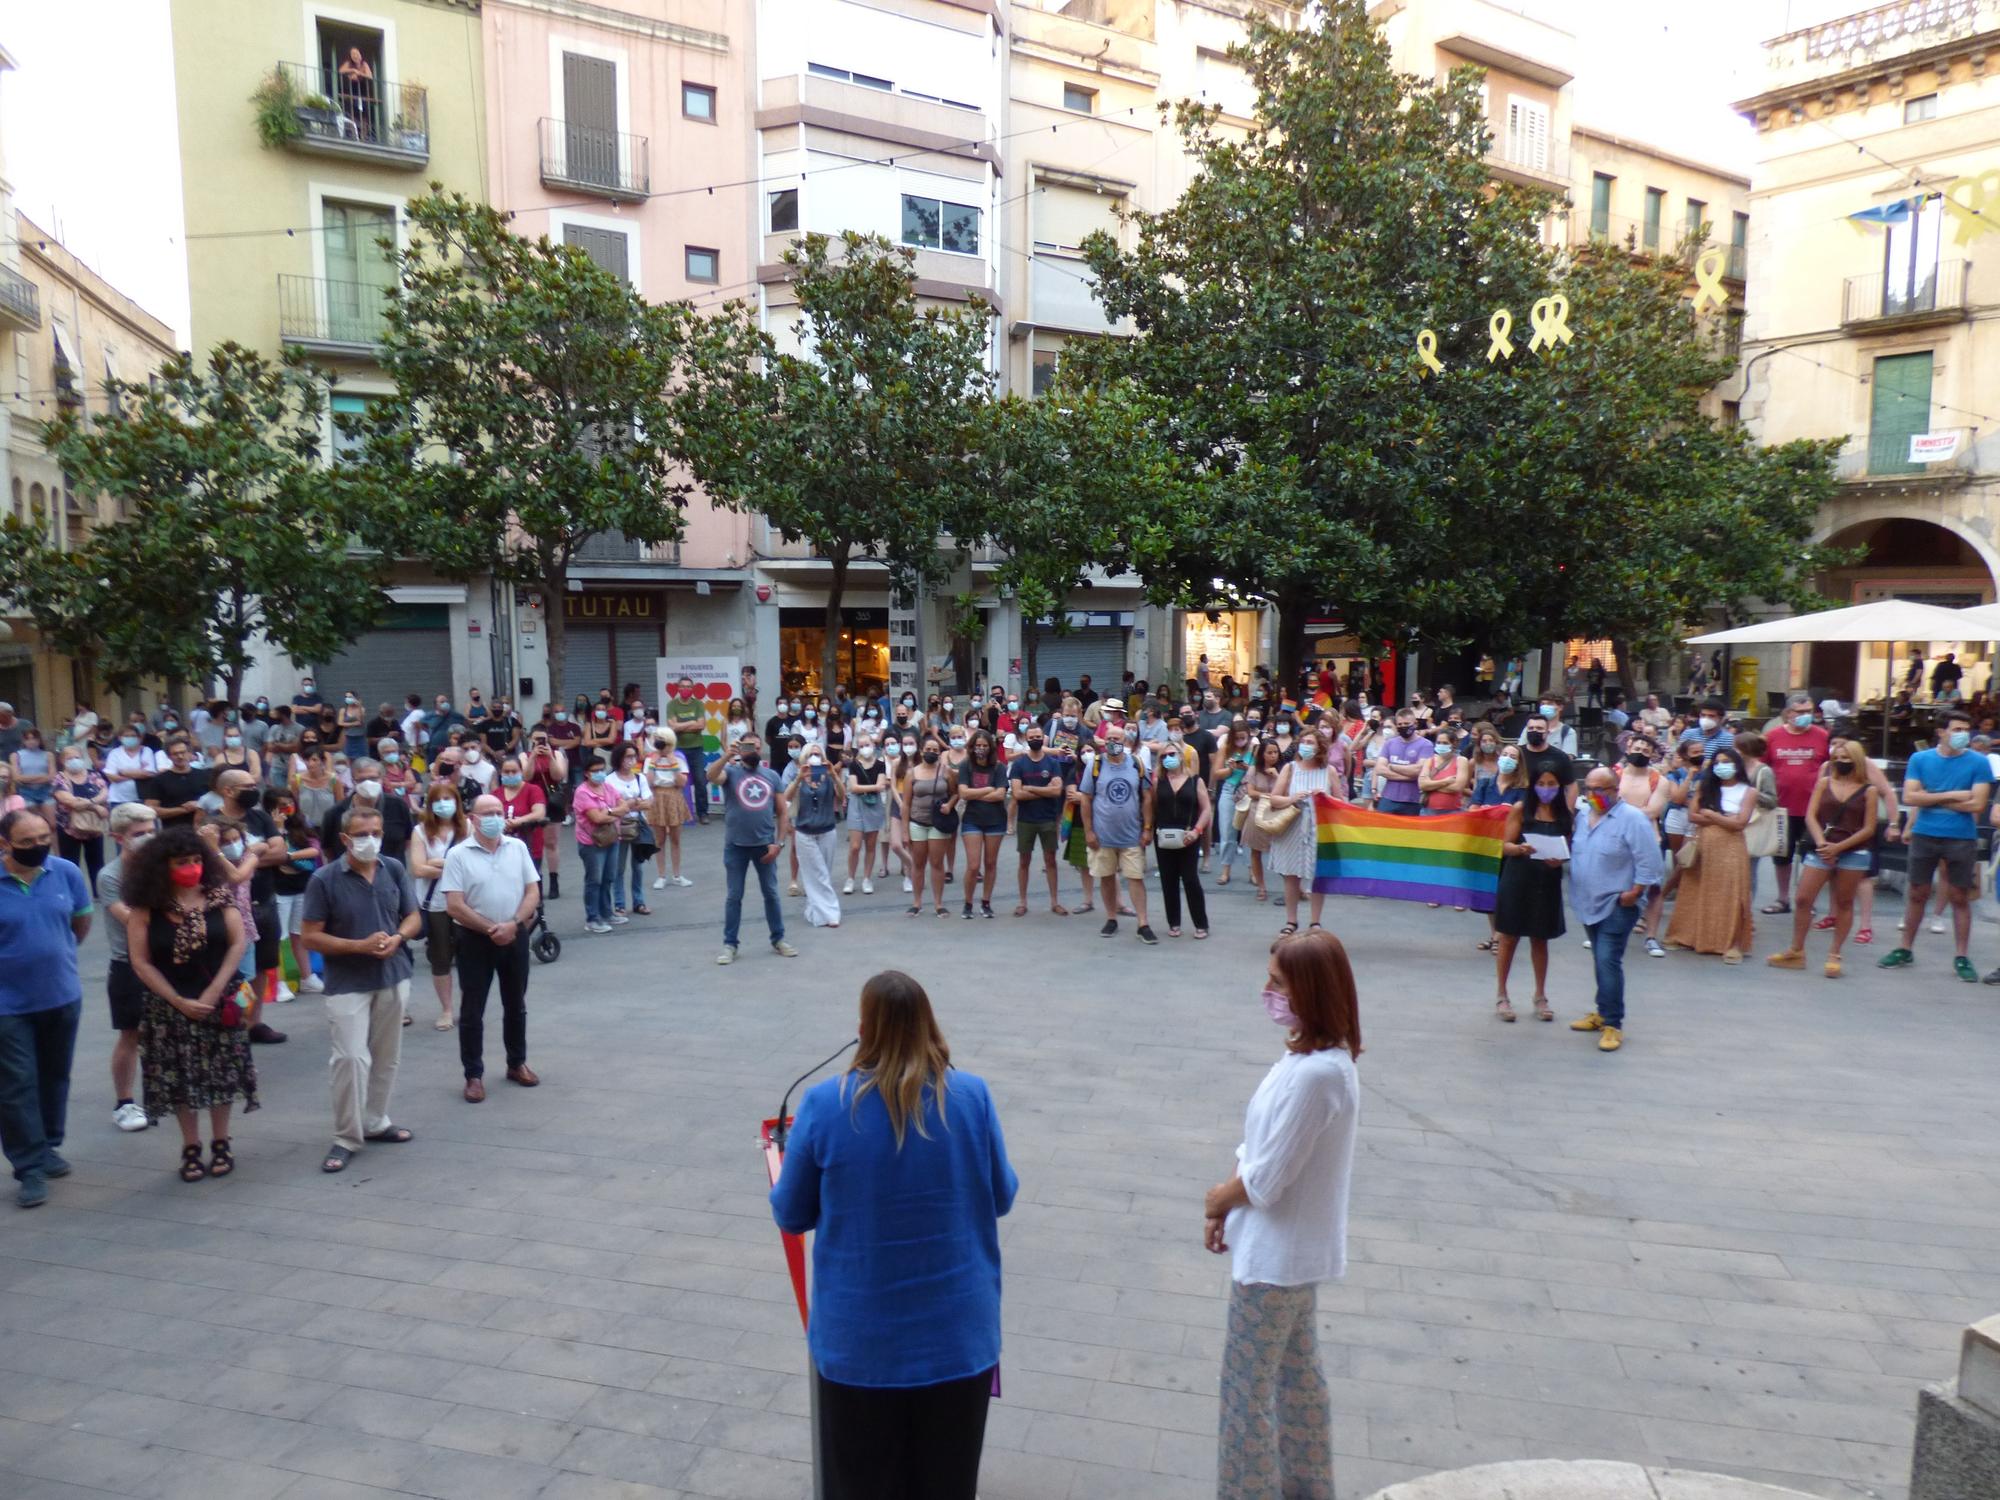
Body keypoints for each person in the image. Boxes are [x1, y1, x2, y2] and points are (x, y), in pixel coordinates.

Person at [769, 972, 1014, 1499]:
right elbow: (1003, 1196)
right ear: (930, 1024)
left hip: (861, 1347)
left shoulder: (825, 1105)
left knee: (860, 1483)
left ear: (864, 1030)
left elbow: (790, 1214)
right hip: (957, 1340)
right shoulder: (972, 1096)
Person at [1204, 930, 1360, 1500]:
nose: (1267, 991)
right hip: (1282, 1253)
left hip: (1274, 1262)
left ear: (1310, 992)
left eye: (1277, 983)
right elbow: (1262, 1149)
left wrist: (1218, 1200)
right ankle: (1306, 1487)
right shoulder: (1309, 1058)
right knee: (1296, 1383)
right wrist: (1230, 1195)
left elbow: (1267, 1180)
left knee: (1247, 1395)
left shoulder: (1318, 1075)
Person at [121, 825, 255, 1184]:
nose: (193, 867)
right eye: (183, 861)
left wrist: (212, 992)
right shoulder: (147, 908)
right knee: (180, 1077)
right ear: (163, 866)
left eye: (197, 860)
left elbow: (237, 945)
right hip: (169, 1006)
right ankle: (191, 1145)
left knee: (222, 1074)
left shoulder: (218, 897)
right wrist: (177, 1000)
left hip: (220, 999)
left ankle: (222, 1140)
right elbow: (141, 961)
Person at [299, 806, 420, 1169]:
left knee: (386, 1056)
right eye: (363, 834)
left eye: (376, 832)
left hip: (392, 974)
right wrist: (358, 946)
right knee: (351, 1058)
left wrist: (398, 938)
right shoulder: (324, 879)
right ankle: (346, 1136)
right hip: (347, 982)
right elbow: (310, 936)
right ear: (346, 839)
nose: (371, 840)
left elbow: (413, 916)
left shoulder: (393, 869)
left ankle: (375, 1121)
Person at [0, 810, 92, 1208]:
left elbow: (81, 923)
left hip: (61, 995)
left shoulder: (67, 872)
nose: (39, 846)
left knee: (55, 1076)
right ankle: (29, 1168)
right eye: (27, 841)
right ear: (5, 844)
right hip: (8, 1004)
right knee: (17, 1085)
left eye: (44, 837)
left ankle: (49, 1145)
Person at [442, 795, 542, 1102]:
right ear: (472, 818)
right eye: (487, 813)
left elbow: (532, 891)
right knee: (473, 1009)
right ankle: (473, 1074)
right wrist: (489, 928)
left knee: (516, 1003)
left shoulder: (518, 847)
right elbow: (455, 905)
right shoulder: (458, 854)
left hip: (515, 934)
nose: (494, 817)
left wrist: (513, 924)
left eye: (498, 812)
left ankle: (517, 1062)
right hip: (474, 939)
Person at [1880, 709, 1991, 980]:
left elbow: (1977, 803)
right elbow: (1910, 796)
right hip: (1925, 833)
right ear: (1941, 732)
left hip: (1961, 836)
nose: (1962, 734)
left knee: (1960, 897)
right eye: (1956, 729)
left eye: (1966, 729)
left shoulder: (1979, 763)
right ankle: (1905, 948)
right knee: (1917, 891)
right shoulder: (1920, 759)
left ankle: (1962, 956)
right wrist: (1954, 795)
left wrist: (1930, 796)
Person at [1566, 768, 1664, 1052]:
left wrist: (1636, 892)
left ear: (1615, 789)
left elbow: (1651, 862)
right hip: (1587, 900)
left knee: (1608, 959)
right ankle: (1602, 1009)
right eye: (1590, 789)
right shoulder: (1584, 816)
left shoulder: (1632, 819)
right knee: (1599, 957)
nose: (1594, 795)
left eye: (1601, 789)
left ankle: (1613, 1023)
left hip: (1618, 902)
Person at [1767, 740, 1879, 979]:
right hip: (1822, 847)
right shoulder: (1824, 783)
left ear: (1857, 760)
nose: (1842, 762)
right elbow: (1811, 815)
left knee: (1844, 901)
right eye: (1838, 757)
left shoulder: (1869, 790)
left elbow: (1869, 828)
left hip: (1853, 850)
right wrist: (1821, 843)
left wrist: (1838, 847)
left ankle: (1834, 954)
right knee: (1803, 898)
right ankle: (1796, 949)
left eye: (1847, 758)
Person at [709, 736, 798, 963]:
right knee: (734, 896)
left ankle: (778, 939)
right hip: (735, 846)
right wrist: (727, 756)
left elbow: (783, 812)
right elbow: (711, 776)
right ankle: (730, 944)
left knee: (771, 894)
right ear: (741, 749)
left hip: (765, 846)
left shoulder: (771, 776)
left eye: (758, 747)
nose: (755, 751)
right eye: (750, 747)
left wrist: (778, 844)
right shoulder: (731, 771)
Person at [1665, 745, 1757, 962]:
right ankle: (1687, 935)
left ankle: (1731, 943)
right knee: (1695, 889)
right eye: (1717, 763)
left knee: (1730, 893)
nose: (1721, 766)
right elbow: (1693, 816)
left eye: (1726, 762)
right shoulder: (1706, 787)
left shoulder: (1748, 791)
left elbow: (1740, 823)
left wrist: (1711, 814)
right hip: (1704, 844)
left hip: (1731, 848)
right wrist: (1724, 817)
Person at [1492, 768, 1570, 1021]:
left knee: (1540, 938)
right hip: (1519, 877)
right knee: (1509, 937)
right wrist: (1519, 849)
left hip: (1546, 879)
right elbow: (1504, 845)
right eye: (1542, 783)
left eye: (1552, 783)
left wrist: (1560, 861)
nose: (1547, 788)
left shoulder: (1563, 814)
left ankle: (1540, 995)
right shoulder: (1520, 809)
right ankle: (1502, 995)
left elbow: (1568, 847)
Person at [1080, 729, 1156, 944]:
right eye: (1110, 739)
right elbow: (1086, 799)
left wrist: (1147, 827)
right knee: (1106, 876)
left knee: (1135, 877)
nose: (1113, 742)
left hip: (1131, 834)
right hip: (1102, 834)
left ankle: (1143, 923)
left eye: (1117, 739)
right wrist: (1089, 831)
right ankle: (1111, 918)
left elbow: (1147, 797)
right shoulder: (1095, 765)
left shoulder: (1136, 764)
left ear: (1126, 741)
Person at [1760, 695, 1829, 917]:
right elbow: (1761, 769)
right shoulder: (1772, 737)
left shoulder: (1822, 737)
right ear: (1788, 713)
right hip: (1782, 807)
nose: (1804, 716)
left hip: (1814, 808)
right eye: (1799, 712)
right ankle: (1782, 899)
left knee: (1813, 855)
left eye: (1808, 710)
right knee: (1782, 854)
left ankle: (1807, 898)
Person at [408, 781, 467, 1026]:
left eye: (449, 798)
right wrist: (451, 865)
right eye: (438, 800)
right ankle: (446, 1009)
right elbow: (419, 869)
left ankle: (468, 1005)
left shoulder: (467, 828)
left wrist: (437, 864)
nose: (444, 804)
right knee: (440, 957)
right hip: (434, 904)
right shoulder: (421, 832)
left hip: (464, 902)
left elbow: (473, 866)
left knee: (469, 956)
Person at [1264, 731, 1333, 936]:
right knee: (1291, 875)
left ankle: (1315, 922)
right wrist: (1292, 798)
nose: (1305, 745)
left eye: (1310, 742)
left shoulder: (1328, 771)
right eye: (1302, 742)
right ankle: (1291, 921)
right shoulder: (1290, 768)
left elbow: (1341, 802)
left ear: (1320, 746)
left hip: (1319, 827)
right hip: (1293, 825)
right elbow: (1274, 799)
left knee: (1319, 875)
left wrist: (1325, 798)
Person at [1153, 738, 1211, 938]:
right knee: (1168, 881)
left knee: (1190, 879)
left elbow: (1206, 810)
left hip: (1188, 835)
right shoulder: (1157, 781)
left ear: (1180, 756)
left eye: (1172, 754)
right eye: (1164, 756)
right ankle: (1174, 922)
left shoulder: (1195, 780)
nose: (1168, 759)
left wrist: (1196, 831)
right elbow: (1151, 807)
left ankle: (1201, 923)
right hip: (1163, 835)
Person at [1008, 725, 1068, 917]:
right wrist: (1044, 790)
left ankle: (1054, 901)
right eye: (1031, 736)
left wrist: (1031, 789)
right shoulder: (1019, 764)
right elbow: (1017, 794)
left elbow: (1057, 791)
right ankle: (1022, 902)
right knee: (1024, 860)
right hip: (1026, 820)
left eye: (1038, 736)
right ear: (1026, 739)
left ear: (1044, 738)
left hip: (1048, 818)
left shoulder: (1052, 763)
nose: (1035, 739)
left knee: (1050, 860)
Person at [570, 754, 627, 935]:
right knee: (594, 880)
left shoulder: (608, 787)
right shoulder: (582, 792)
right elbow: (597, 818)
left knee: (609, 877)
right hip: (591, 842)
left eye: (602, 769)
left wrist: (609, 811)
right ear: (587, 773)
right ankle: (592, 918)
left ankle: (606, 912)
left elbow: (624, 806)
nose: (600, 774)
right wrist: (614, 813)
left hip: (612, 838)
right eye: (595, 771)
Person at [953, 730, 1007, 919]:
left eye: (984, 746)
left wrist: (976, 793)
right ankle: (968, 902)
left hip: (996, 820)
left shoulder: (998, 767)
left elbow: (1000, 794)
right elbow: (963, 793)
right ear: (972, 747)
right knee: (973, 865)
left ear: (990, 748)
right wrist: (987, 790)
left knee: (990, 863)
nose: (981, 749)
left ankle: (986, 901)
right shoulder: (966, 765)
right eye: (978, 746)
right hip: (972, 819)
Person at [788, 746, 844, 928]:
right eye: (811, 754)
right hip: (805, 832)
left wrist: (834, 775)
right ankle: (831, 912)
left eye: (817, 754)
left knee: (824, 873)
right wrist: (798, 779)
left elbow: (842, 797)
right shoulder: (800, 776)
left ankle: (815, 910)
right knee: (814, 873)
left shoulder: (827, 777)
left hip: (827, 830)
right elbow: (785, 799)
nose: (814, 757)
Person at [902, 734, 957, 918]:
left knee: (937, 863)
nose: (932, 752)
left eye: (935, 750)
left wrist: (949, 805)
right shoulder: (912, 773)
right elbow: (906, 804)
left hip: (938, 823)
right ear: (921, 751)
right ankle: (916, 903)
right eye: (928, 750)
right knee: (918, 864)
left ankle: (938, 903)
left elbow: (955, 793)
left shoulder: (945, 771)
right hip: (917, 822)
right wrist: (904, 830)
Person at [843, 742, 888, 897]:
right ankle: (850, 878)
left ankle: (867, 878)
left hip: (874, 805)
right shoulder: (854, 764)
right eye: (861, 745)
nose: (865, 748)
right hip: (856, 804)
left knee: (870, 845)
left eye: (867, 744)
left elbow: (882, 785)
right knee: (855, 846)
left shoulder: (881, 764)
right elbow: (853, 787)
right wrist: (874, 787)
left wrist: (873, 788)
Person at [665, 675, 711, 824]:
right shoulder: (672, 704)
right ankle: (680, 813)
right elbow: (672, 727)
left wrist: (680, 726)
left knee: (700, 781)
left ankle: (703, 813)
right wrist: (691, 722)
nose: (686, 689)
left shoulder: (698, 704)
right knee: (678, 782)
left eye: (688, 687)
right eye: (683, 686)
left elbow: (701, 725)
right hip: (678, 750)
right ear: (678, 688)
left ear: (692, 689)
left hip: (696, 748)